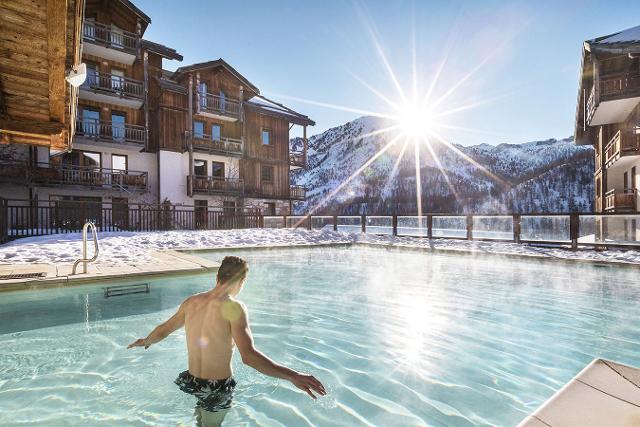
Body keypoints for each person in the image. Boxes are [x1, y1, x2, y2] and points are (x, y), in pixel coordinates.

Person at [128, 255, 326, 425]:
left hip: (190, 380)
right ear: (241, 282)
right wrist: (293, 375)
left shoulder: (192, 302)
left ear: (217, 277)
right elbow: (248, 357)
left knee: (201, 421)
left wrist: (146, 341)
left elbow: (164, 330)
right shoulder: (235, 308)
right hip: (217, 388)